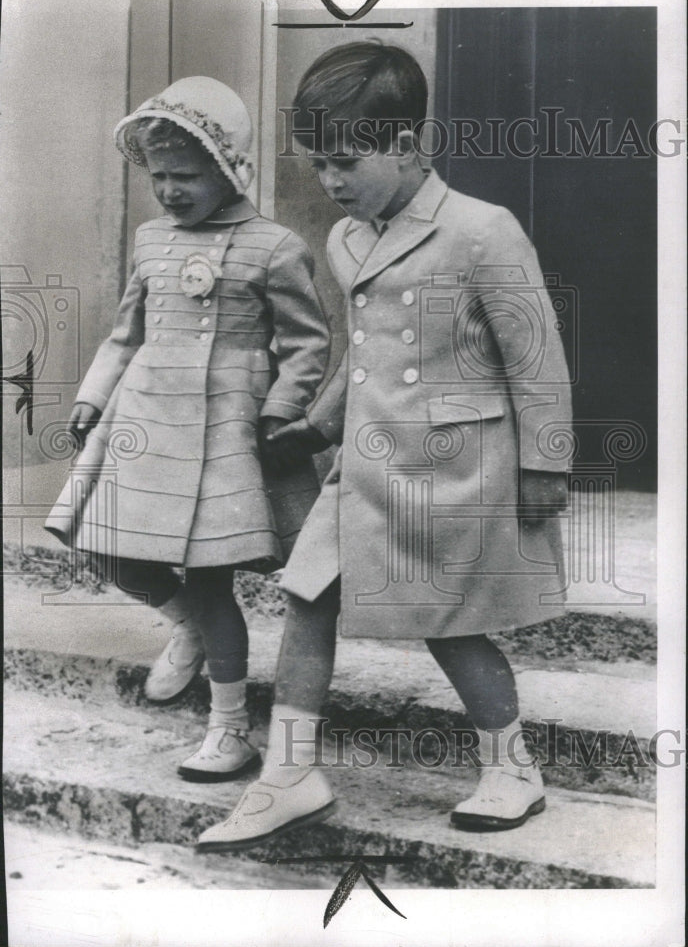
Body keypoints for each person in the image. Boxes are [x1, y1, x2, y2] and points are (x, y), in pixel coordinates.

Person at [196, 42, 572, 851]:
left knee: (451, 623)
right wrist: (314, 424)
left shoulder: (482, 231)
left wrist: (547, 461)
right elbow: (361, 355)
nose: (329, 182)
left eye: (343, 161)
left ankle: (511, 766)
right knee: (307, 596)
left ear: (406, 146)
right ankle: (291, 774)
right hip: (363, 470)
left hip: (453, 470)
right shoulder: (346, 240)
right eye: (317, 165)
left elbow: (536, 357)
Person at [46, 76, 330, 783]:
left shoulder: (274, 247)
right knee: (106, 546)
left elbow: (307, 345)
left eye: (186, 176)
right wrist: (92, 396)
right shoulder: (151, 241)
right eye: (160, 177)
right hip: (145, 414)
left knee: (210, 581)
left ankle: (229, 730)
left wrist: (280, 409)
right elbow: (124, 334)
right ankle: (186, 627)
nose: (170, 191)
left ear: (228, 167)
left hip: (228, 429)